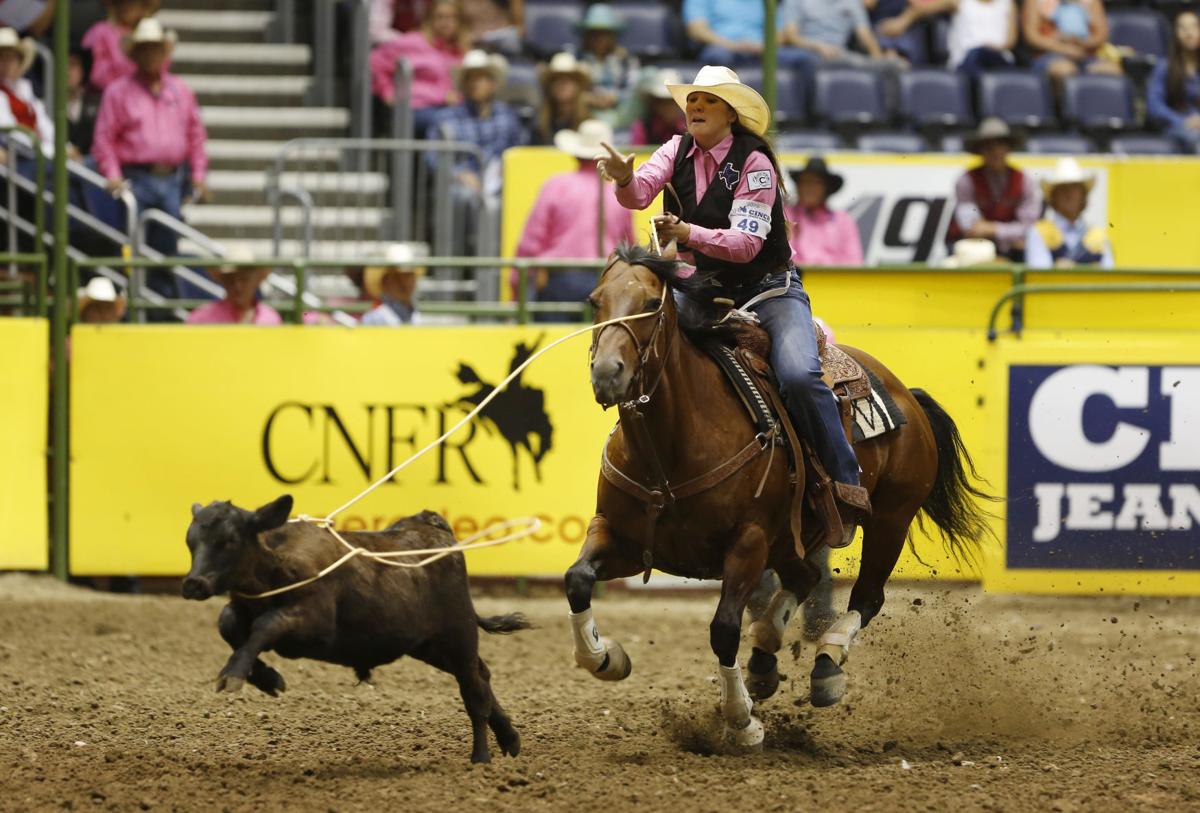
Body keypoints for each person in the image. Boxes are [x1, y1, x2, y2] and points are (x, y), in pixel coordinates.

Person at [597, 65, 871, 546]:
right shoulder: (674, 149)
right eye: (693, 100)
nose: (696, 107)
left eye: (709, 100)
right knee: (648, 344)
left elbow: (746, 245)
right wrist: (624, 179)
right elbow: (639, 194)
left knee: (800, 376)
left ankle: (844, 482)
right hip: (698, 287)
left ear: (730, 113)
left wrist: (687, 232)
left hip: (768, 290)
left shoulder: (755, 163)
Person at [91, 17, 208, 272]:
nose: (151, 54)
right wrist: (112, 174)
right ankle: (133, 292)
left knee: (167, 249)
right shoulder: (118, 92)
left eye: (155, 48)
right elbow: (104, 138)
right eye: (145, 49)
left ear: (164, 53)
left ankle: (159, 294)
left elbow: (196, 135)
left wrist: (198, 176)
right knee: (131, 245)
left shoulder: (181, 90)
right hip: (135, 179)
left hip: (172, 179)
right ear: (135, 54)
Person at [515, 118, 634, 322]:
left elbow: (531, 243)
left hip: (559, 280)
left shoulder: (556, 185)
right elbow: (629, 244)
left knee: (555, 340)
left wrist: (517, 287)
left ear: (576, 153)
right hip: (608, 279)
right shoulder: (620, 193)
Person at [429, 49, 524, 253]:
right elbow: (432, 157)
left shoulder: (508, 117)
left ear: (493, 84)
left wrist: (508, 170)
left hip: (500, 182)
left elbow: (519, 152)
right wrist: (458, 173)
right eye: (470, 78)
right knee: (462, 197)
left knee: (512, 199)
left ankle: (501, 258)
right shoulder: (445, 118)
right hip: (461, 184)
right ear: (463, 84)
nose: (475, 83)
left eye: (481, 78)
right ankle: (461, 257)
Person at [945, 118, 1041, 261]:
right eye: (988, 146)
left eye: (1000, 145)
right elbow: (971, 227)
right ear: (980, 150)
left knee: (1028, 247)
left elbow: (1029, 227)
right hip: (975, 248)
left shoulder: (1024, 181)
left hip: (1011, 249)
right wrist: (1008, 232)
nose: (995, 151)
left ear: (1008, 148)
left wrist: (993, 229)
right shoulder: (966, 180)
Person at [370, 0, 467, 137]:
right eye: (440, 17)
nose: (446, 22)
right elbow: (375, 61)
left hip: (451, 108)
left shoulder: (460, 50)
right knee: (446, 125)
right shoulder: (413, 41)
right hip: (418, 107)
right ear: (430, 19)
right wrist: (387, 92)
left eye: (452, 17)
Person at [1025, 157, 1112, 270]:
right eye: (1063, 188)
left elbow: (1110, 275)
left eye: (1074, 188)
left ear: (1083, 195)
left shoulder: (1099, 236)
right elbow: (1039, 275)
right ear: (1054, 196)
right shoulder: (1039, 232)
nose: (1069, 193)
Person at [1022, 0, 1121, 87]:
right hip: (1048, 55)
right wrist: (1064, 49)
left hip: (1085, 55)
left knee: (1112, 70)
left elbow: (1101, 35)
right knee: (1065, 70)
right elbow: (1032, 37)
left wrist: (1080, 42)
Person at [785, 156, 863, 266]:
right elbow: (783, 257)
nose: (809, 187)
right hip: (796, 276)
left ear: (826, 188)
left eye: (817, 182)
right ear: (798, 187)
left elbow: (854, 262)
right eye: (805, 182)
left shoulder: (844, 221)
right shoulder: (786, 216)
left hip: (833, 277)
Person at [573, 4, 639, 127]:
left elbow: (633, 88)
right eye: (594, 33)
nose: (599, 38)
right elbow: (567, 88)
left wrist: (616, 97)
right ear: (586, 35)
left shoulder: (626, 59)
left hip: (621, 111)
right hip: (585, 112)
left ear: (613, 35)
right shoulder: (575, 58)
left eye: (604, 33)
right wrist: (586, 97)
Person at [1147, 10, 1200, 153]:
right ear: (1176, 34)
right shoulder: (1164, 66)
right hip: (1177, 127)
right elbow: (1154, 106)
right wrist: (1182, 121)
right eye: (1183, 28)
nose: (1189, 33)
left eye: (1194, 27)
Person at [780, 0, 890, 68]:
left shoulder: (852, 2)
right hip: (806, 51)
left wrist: (878, 59)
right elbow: (791, 37)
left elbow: (865, 35)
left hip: (838, 53)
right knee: (807, 61)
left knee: (891, 66)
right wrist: (817, 46)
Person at [81, 0, 161, 93]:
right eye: (123, 2)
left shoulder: (148, 32)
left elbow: (159, 68)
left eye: (133, 3)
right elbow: (94, 73)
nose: (128, 7)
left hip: (144, 95)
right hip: (106, 95)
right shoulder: (99, 32)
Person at [186, 253, 282, 325]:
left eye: (244, 279)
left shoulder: (271, 319)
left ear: (256, 280)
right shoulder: (201, 318)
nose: (237, 286)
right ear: (223, 281)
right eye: (230, 279)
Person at [0, 27, 52, 156]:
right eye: (2, 58)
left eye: (11, 59)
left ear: (20, 62)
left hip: (39, 153)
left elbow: (46, 126)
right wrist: (49, 152)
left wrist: (63, 148)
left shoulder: (25, 89)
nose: (7, 64)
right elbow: (12, 136)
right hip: (21, 158)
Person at [534, 51, 592, 145]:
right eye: (556, 79)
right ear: (549, 86)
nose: (562, 84)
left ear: (578, 85)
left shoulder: (589, 124)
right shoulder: (539, 124)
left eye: (568, 79)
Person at [360, 243, 426, 325]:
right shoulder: (376, 317)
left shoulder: (415, 313)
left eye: (408, 275)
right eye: (396, 277)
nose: (403, 282)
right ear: (384, 282)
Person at [628, 68, 686, 146]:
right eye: (663, 102)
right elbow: (637, 152)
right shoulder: (642, 128)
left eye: (672, 101)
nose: (668, 107)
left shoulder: (690, 128)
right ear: (655, 103)